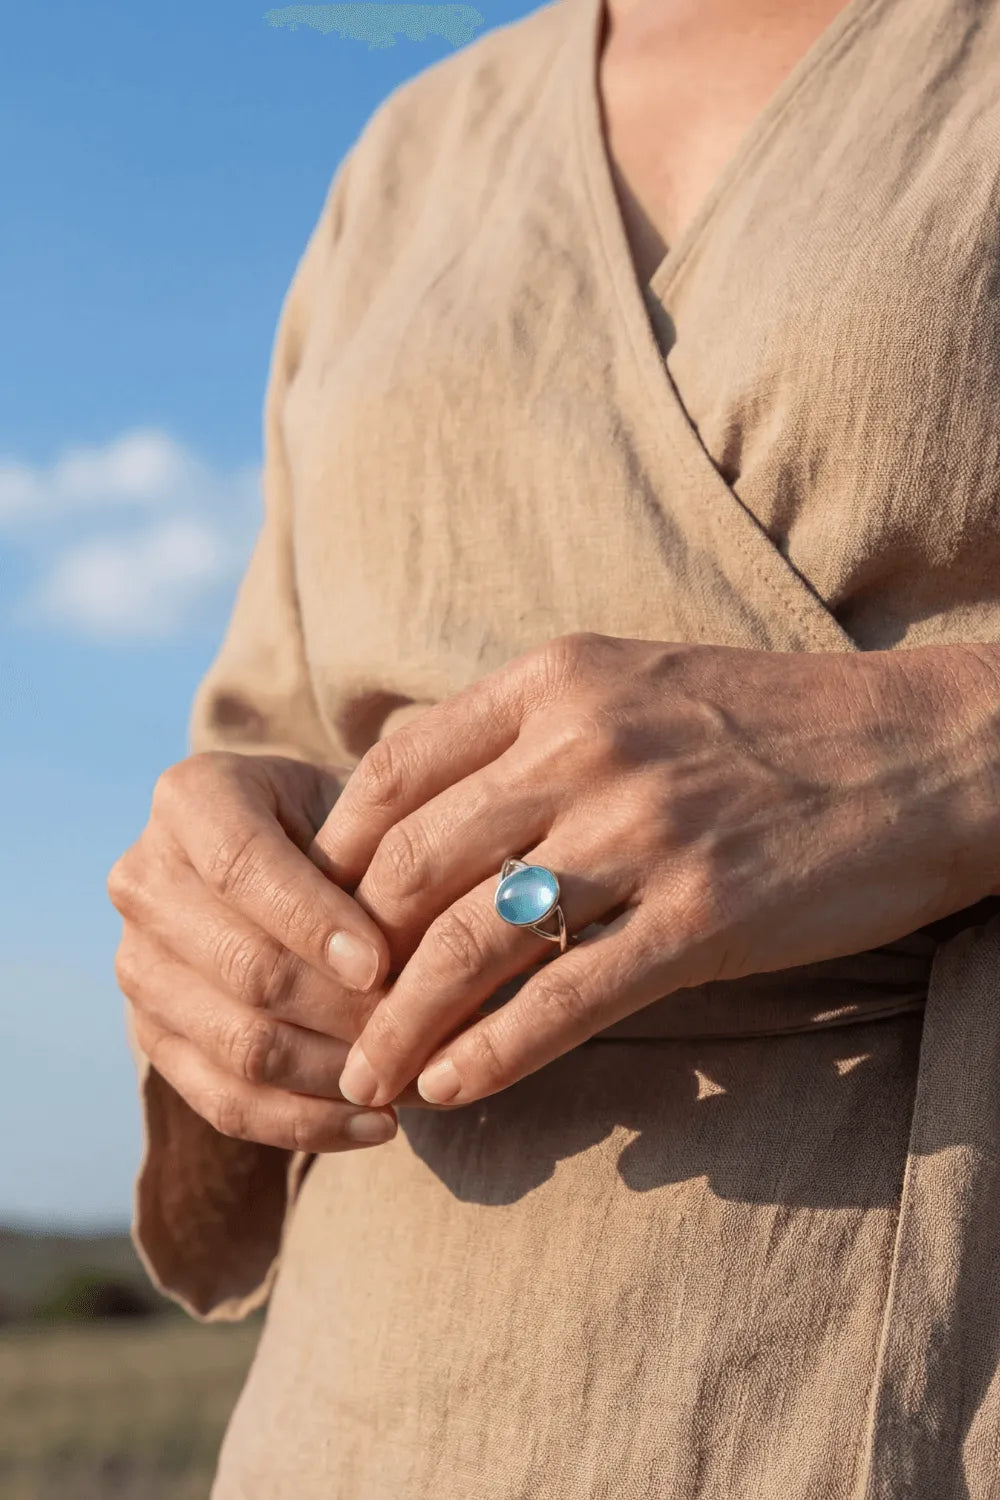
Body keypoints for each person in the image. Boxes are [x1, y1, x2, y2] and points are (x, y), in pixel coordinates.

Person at [106, 0, 1000, 1491]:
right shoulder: (408, 154)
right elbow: (264, 722)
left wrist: (951, 748)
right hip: (381, 1398)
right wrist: (213, 926)